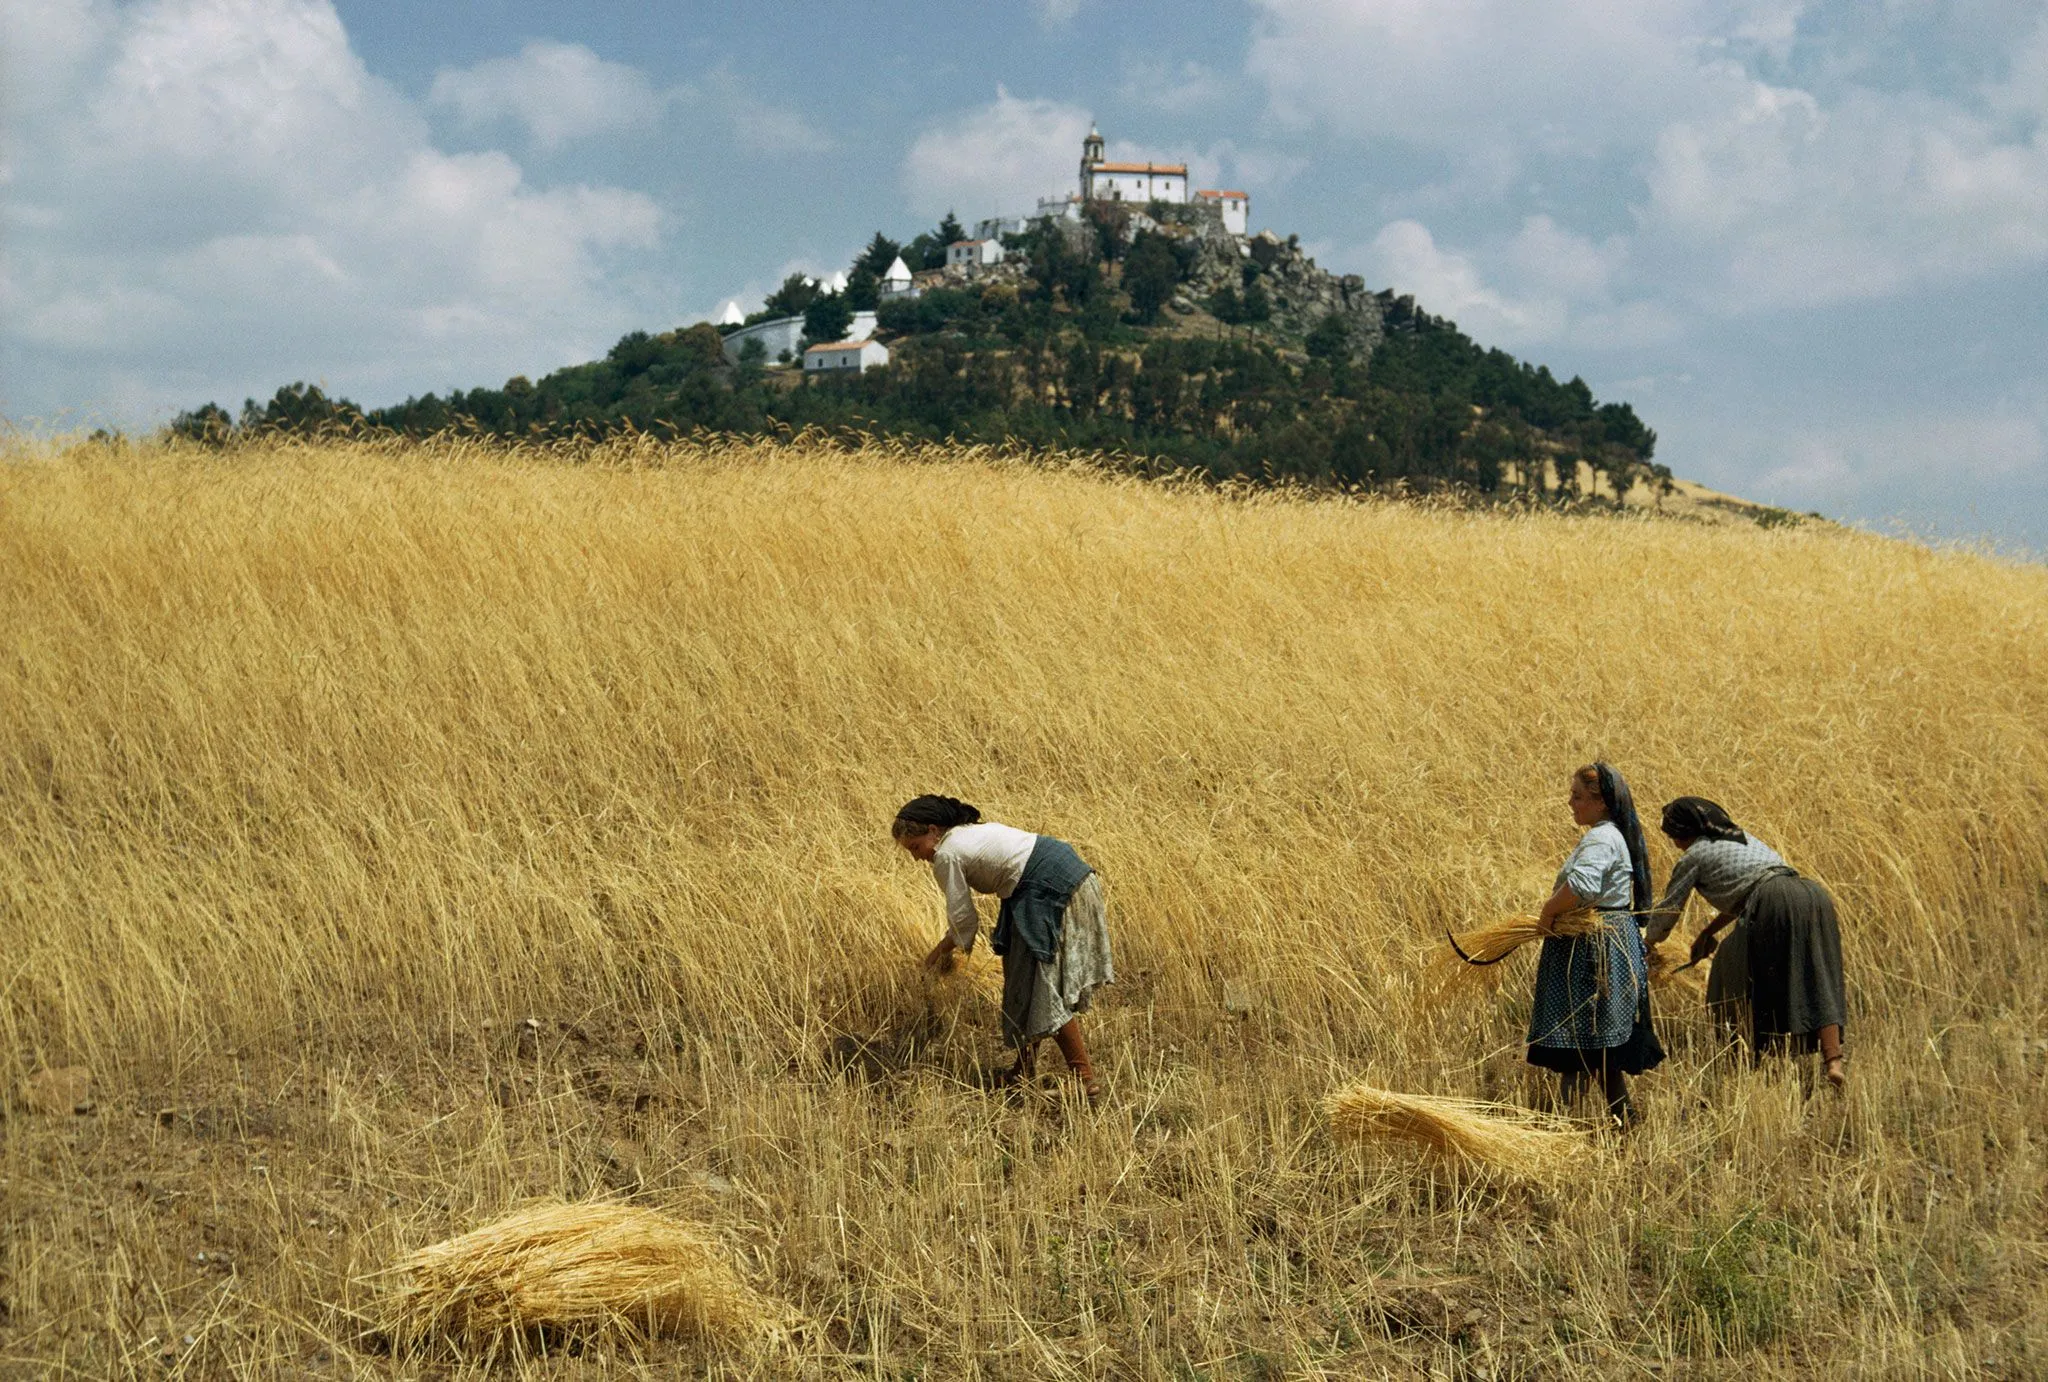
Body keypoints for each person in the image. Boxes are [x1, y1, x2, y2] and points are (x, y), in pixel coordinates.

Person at [891, 795, 1113, 1103]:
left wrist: (934, 957)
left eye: (916, 847)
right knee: (1022, 981)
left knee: (1041, 986)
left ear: (933, 830)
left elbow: (963, 922)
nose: (917, 858)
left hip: (1046, 888)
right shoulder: (965, 833)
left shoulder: (948, 853)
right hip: (1060, 876)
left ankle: (1084, 1079)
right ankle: (1022, 1073)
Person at [1645, 796, 1847, 1089]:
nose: (1674, 844)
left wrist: (1648, 942)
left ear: (1682, 832)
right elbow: (1750, 889)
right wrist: (1708, 932)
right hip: (1811, 896)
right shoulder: (1740, 838)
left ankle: (1745, 1060)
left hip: (1773, 901)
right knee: (1817, 973)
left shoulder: (1693, 856)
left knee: (1730, 977)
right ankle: (1834, 1062)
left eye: (1673, 836)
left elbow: (1670, 908)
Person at [1526, 763, 1664, 1125]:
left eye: (1577, 796)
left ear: (1600, 802)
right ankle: (1623, 1118)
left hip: (1593, 950)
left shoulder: (1602, 838)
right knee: (1594, 1043)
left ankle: (1560, 1125)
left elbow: (1584, 885)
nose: (1570, 802)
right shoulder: (1610, 834)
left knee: (1581, 1039)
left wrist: (1547, 912)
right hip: (1604, 943)